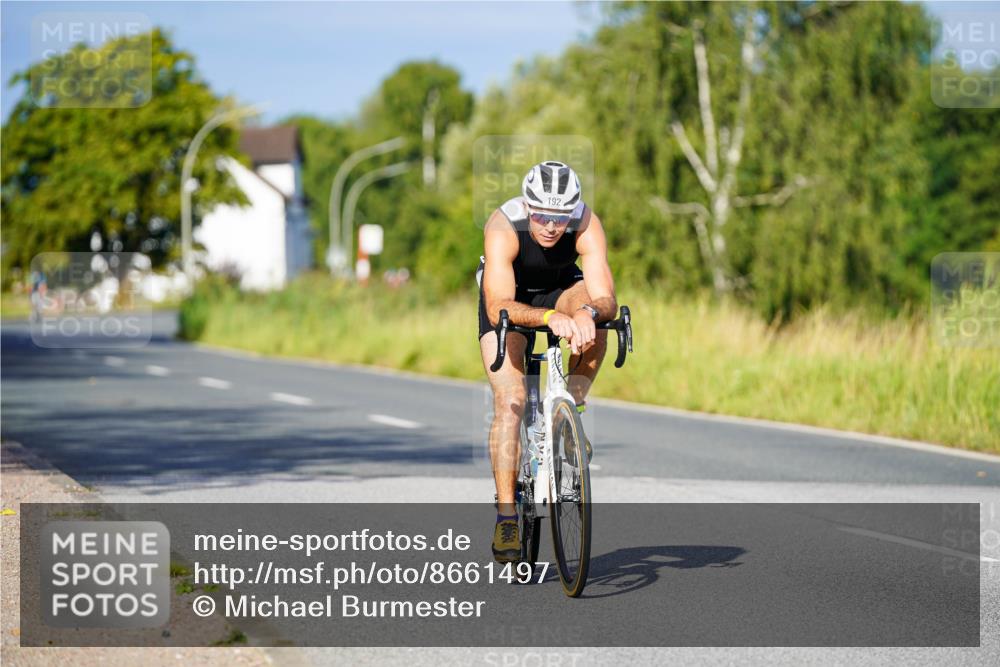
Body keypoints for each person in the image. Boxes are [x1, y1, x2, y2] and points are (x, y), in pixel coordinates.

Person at [476, 161, 617, 562]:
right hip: (508, 300)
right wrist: (551, 319)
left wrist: (587, 315)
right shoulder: (504, 225)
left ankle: (570, 410)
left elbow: (604, 295)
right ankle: (506, 517)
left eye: (561, 216)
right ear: (527, 205)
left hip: (560, 290)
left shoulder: (586, 222)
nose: (552, 226)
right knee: (512, 402)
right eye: (541, 215)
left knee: (599, 322)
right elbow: (498, 303)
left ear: (573, 210)